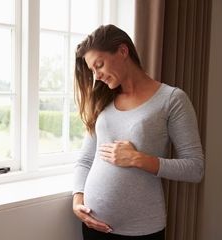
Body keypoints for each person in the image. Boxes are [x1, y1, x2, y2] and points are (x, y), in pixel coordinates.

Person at [72, 24, 204, 240]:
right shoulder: (103, 101)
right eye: (92, 71)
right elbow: (86, 159)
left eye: (99, 65)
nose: (97, 76)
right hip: (93, 225)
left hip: (141, 229)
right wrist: (77, 200)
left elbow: (195, 168)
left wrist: (138, 159)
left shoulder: (172, 99)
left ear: (123, 51)